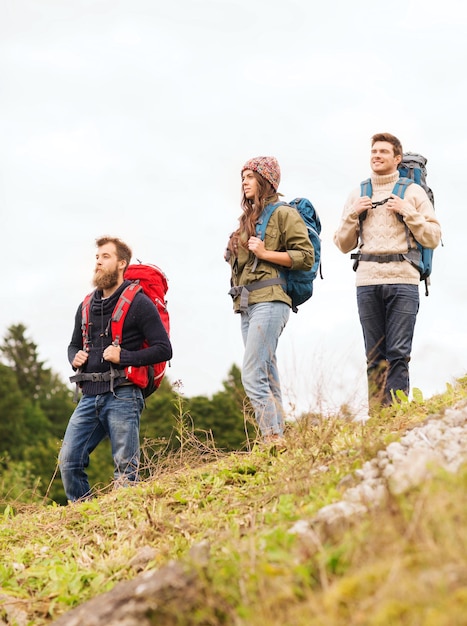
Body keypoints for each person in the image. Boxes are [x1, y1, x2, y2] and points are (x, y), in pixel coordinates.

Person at [59, 236, 172, 502]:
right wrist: (74, 357)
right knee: (68, 463)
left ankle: (126, 527)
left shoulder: (139, 303)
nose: (98, 262)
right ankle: (84, 518)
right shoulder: (86, 305)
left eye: (105, 257)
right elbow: (73, 345)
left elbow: (163, 349)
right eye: (97, 257)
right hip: (89, 397)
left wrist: (125, 356)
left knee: (126, 471)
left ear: (122, 263)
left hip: (124, 394)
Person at [334, 133, 441, 413]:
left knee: (398, 354)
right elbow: (343, 244)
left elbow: (432, 237)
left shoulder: (413, 193)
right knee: (374, 356)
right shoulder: (358, 193)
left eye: (383, 151)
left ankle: (396, 414)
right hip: (367, 281)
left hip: (403, 280)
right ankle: (378, 417)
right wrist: (352, 215)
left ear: (397, 159)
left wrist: (409, 212)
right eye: (373, 151)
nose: (376, 155)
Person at [226, 156, 314, 444]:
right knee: (265, 372)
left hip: (271, 301)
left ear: (266, 181)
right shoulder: (247, 220)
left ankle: (271, 437)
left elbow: (305, 257)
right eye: (243, 177)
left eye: (250, 177)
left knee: (251, 374)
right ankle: (281, 438)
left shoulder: (284, 214)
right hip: (247, 306)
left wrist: (265, 253)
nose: (244, 182)